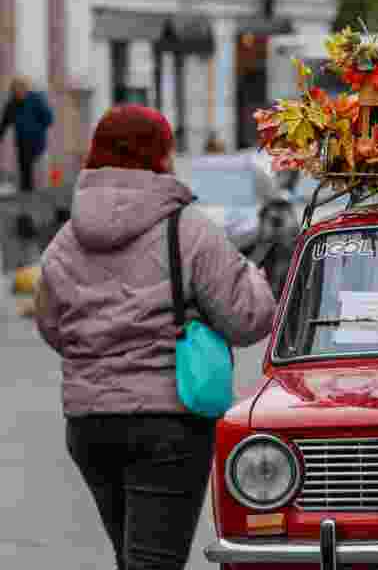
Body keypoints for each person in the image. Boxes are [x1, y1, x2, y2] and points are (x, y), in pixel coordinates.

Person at [32, 104, 277, 570]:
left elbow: (51, 324)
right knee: (153, 561)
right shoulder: (190, 231)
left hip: (90, 424)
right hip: (170, 422)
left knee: (134, 558)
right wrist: (253, 277)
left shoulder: (65, 240)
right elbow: (248, 319)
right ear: (162, 156)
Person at [0, 76, 54, 192]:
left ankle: (41, 193)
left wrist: (38, 129)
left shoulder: (36, 99)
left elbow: (49, 119)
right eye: (14, 90)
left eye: (19, 89)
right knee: (25, 172)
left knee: (39, 172)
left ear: (26, 88)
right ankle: (26, 195)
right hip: (22, 143)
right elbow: (4, 123)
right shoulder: (11, 104)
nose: (17, 92)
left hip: (38, 142)